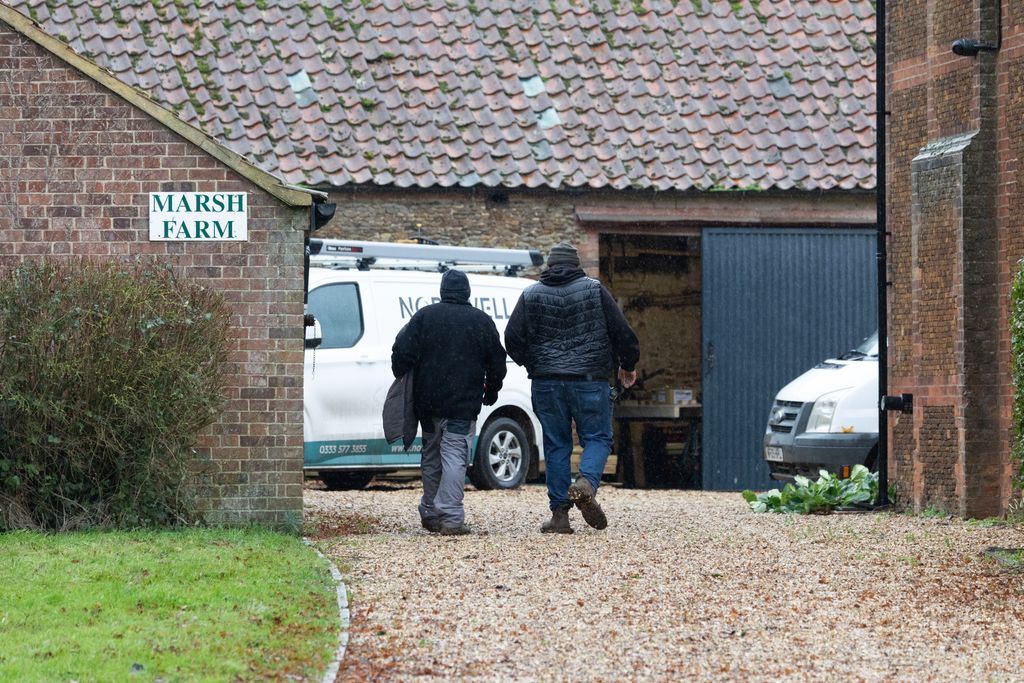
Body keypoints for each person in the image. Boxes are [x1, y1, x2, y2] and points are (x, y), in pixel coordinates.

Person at [505, 242, 640, 533]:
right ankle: (586, 483)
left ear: (550, 266)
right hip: (590, 381)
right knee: (597, 438)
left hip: (547, 382)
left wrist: (534, 364)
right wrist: (628, 366)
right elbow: (622, 333)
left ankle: (559, 516)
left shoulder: (530, 294)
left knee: (557, 444)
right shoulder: (594, 289)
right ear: (576, 265)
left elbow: (512, 338)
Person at [392, 269, 507, 536]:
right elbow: (498, 363)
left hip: (428, 403)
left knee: (431, 455)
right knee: (455, 456)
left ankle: (431, 512)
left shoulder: (424, 317)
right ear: (467, 292)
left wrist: (402, 374)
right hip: (462, 406)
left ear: (443, 291)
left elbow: (402, 352)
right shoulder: (481, 321)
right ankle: (452, 518)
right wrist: (491, 391)